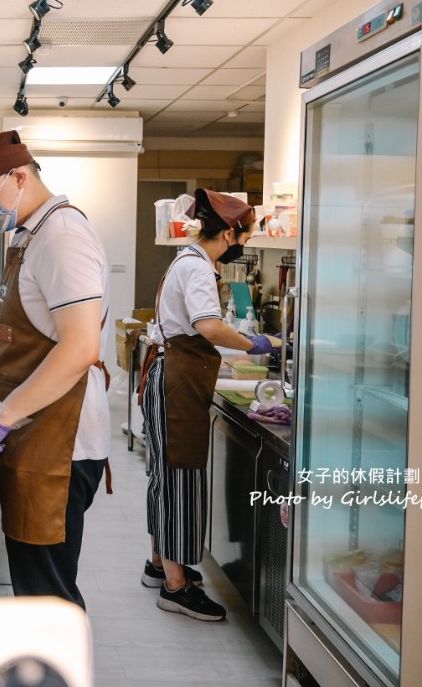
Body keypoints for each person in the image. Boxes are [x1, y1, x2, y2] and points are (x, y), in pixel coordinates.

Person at [0, 130, 111, 610]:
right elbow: (37, 306)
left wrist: (0, 419)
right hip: (35, 429)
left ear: (18, 176)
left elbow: (80, 346)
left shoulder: (62, 238)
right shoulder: (31, 232)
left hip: (60, 441)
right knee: (33, 583)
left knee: (48, 595)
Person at [139, 188, 279, 622]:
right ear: (231, 232)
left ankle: (160, 563)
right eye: (246, 235)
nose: (246, 243)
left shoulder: (189, 259)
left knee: (166, 474)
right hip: (177, 382)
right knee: (180, 476)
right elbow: (210, 327)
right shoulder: (198, 269)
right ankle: (176, 588)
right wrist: (257, 344)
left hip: (170, 376)